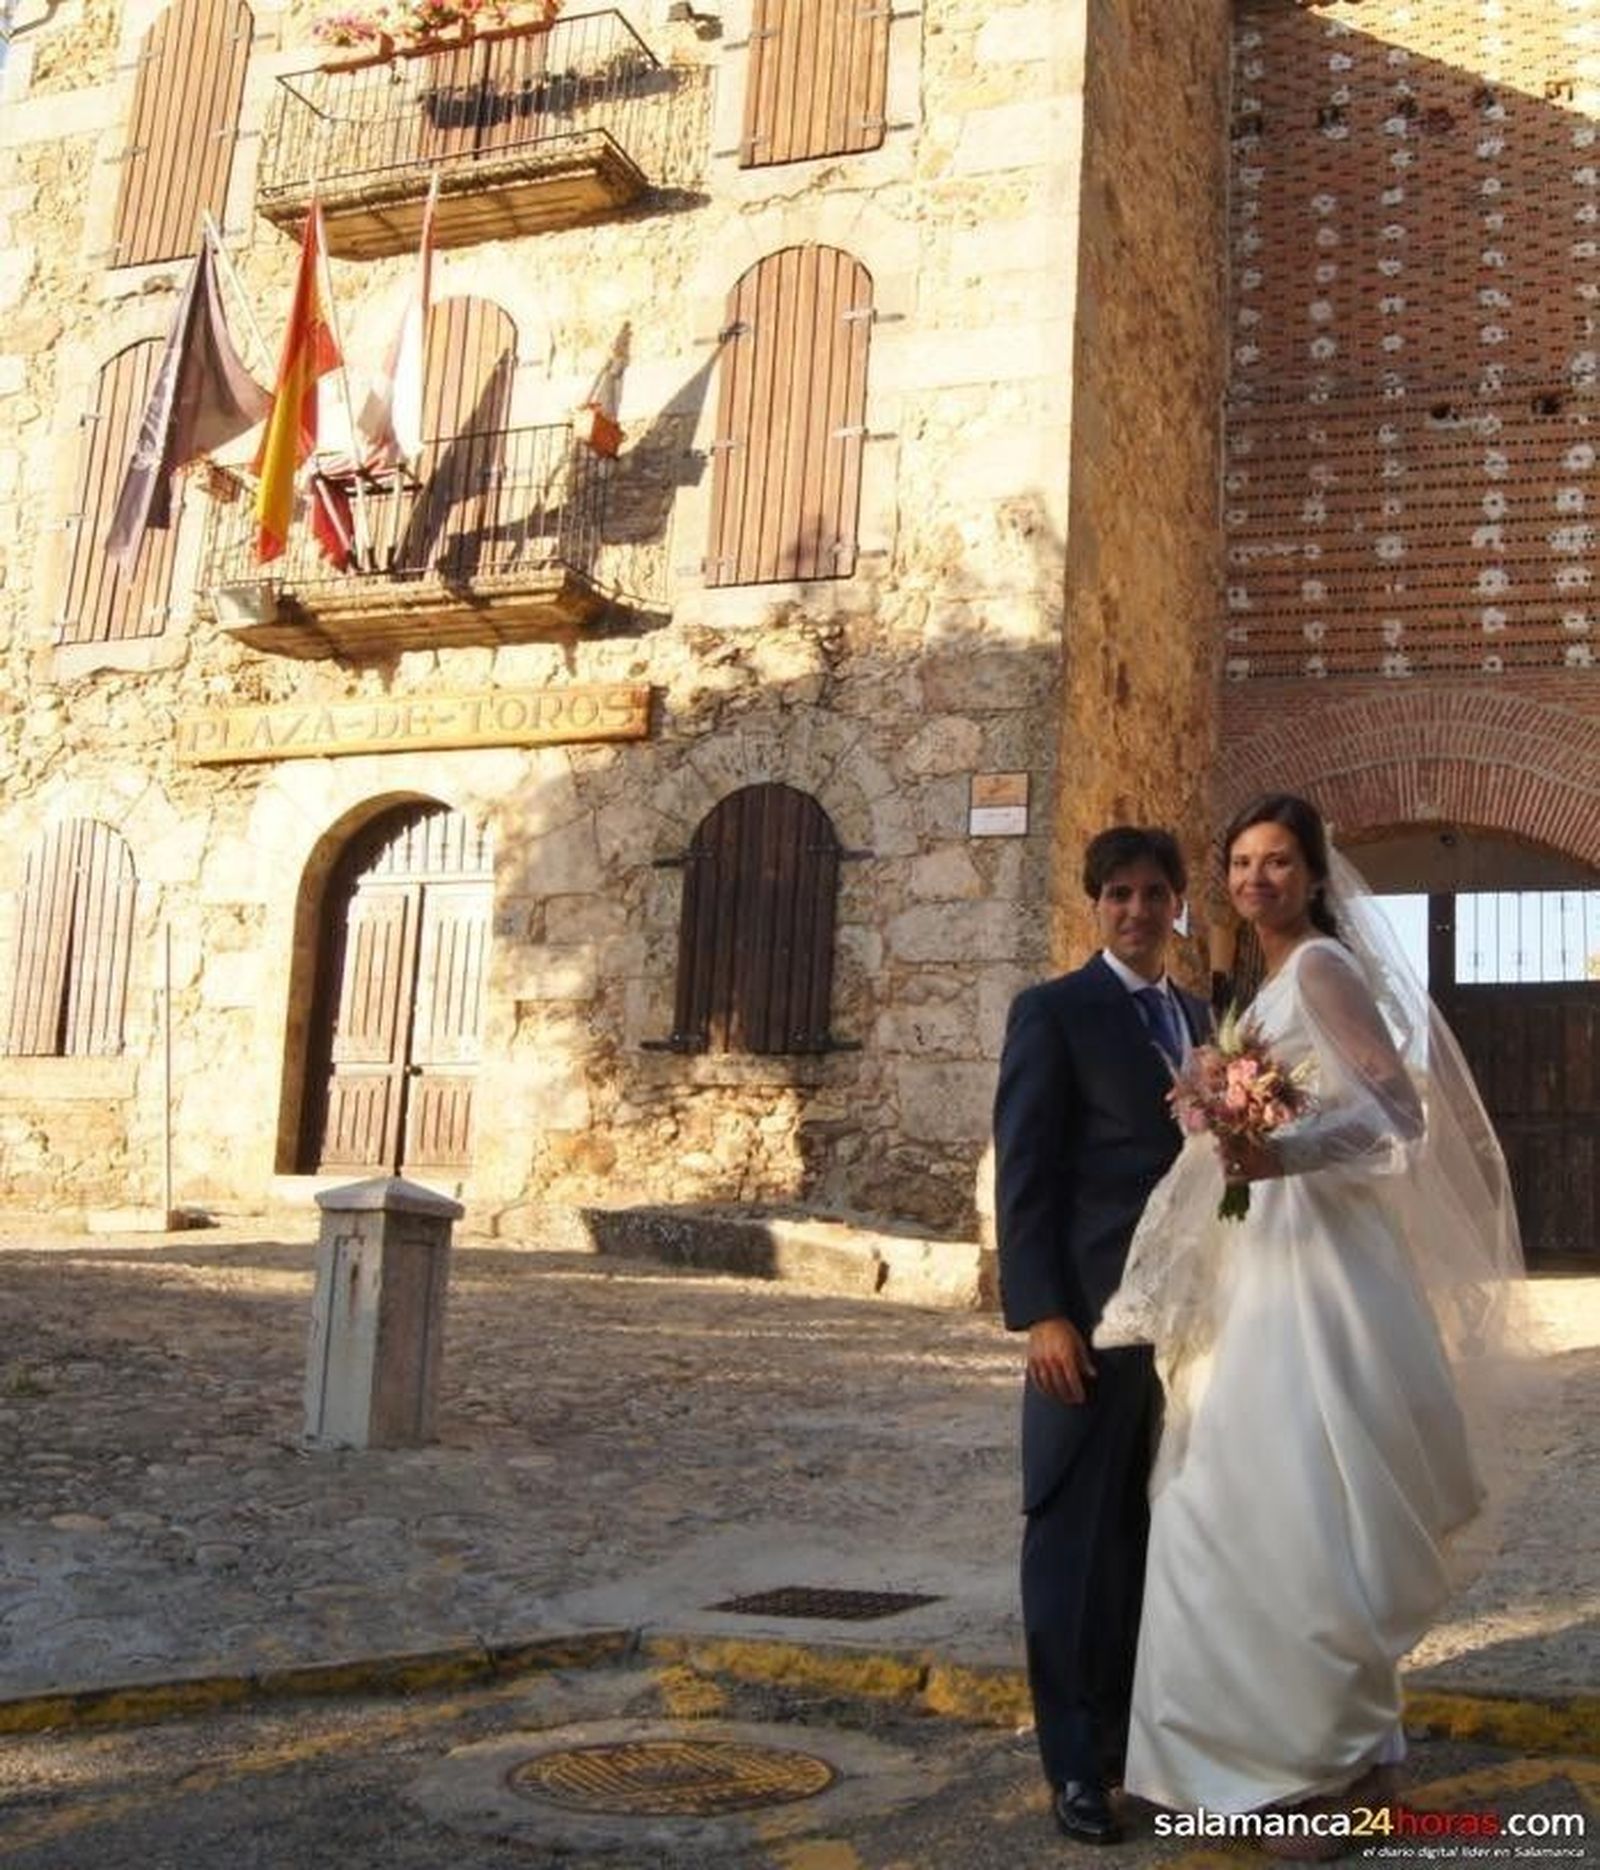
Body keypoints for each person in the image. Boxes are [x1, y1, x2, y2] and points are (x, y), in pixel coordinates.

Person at [1096, 794, 1523, 1855]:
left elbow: (1398, 1113)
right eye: (1240, 862)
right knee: (1218, 1500)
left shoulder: (1322, 969)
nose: (1255, 879)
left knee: (1289, 1501)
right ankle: (1252, 1761)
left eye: (1277, 861)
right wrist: (1219, 1111)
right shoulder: (1255, 983)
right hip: (1257, 1262)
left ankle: (1302, 1774)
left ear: (1312, 874)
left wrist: (1277, 1147)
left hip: (1316, 1265)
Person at [993, 826, 1212, 1847]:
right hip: (1084, 1322)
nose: (1136, 910)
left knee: (1149, 1541)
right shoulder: (1054, 1011)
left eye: (1153, 893)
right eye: (1117, 893)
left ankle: (1135, 1744)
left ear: (1177, 903)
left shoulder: (1196, 1017)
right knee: (1071, 1544)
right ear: (1095, 905)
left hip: (1182, 1331)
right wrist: (1042, 1312)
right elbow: (1026, 1169)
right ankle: (1073, 1767)